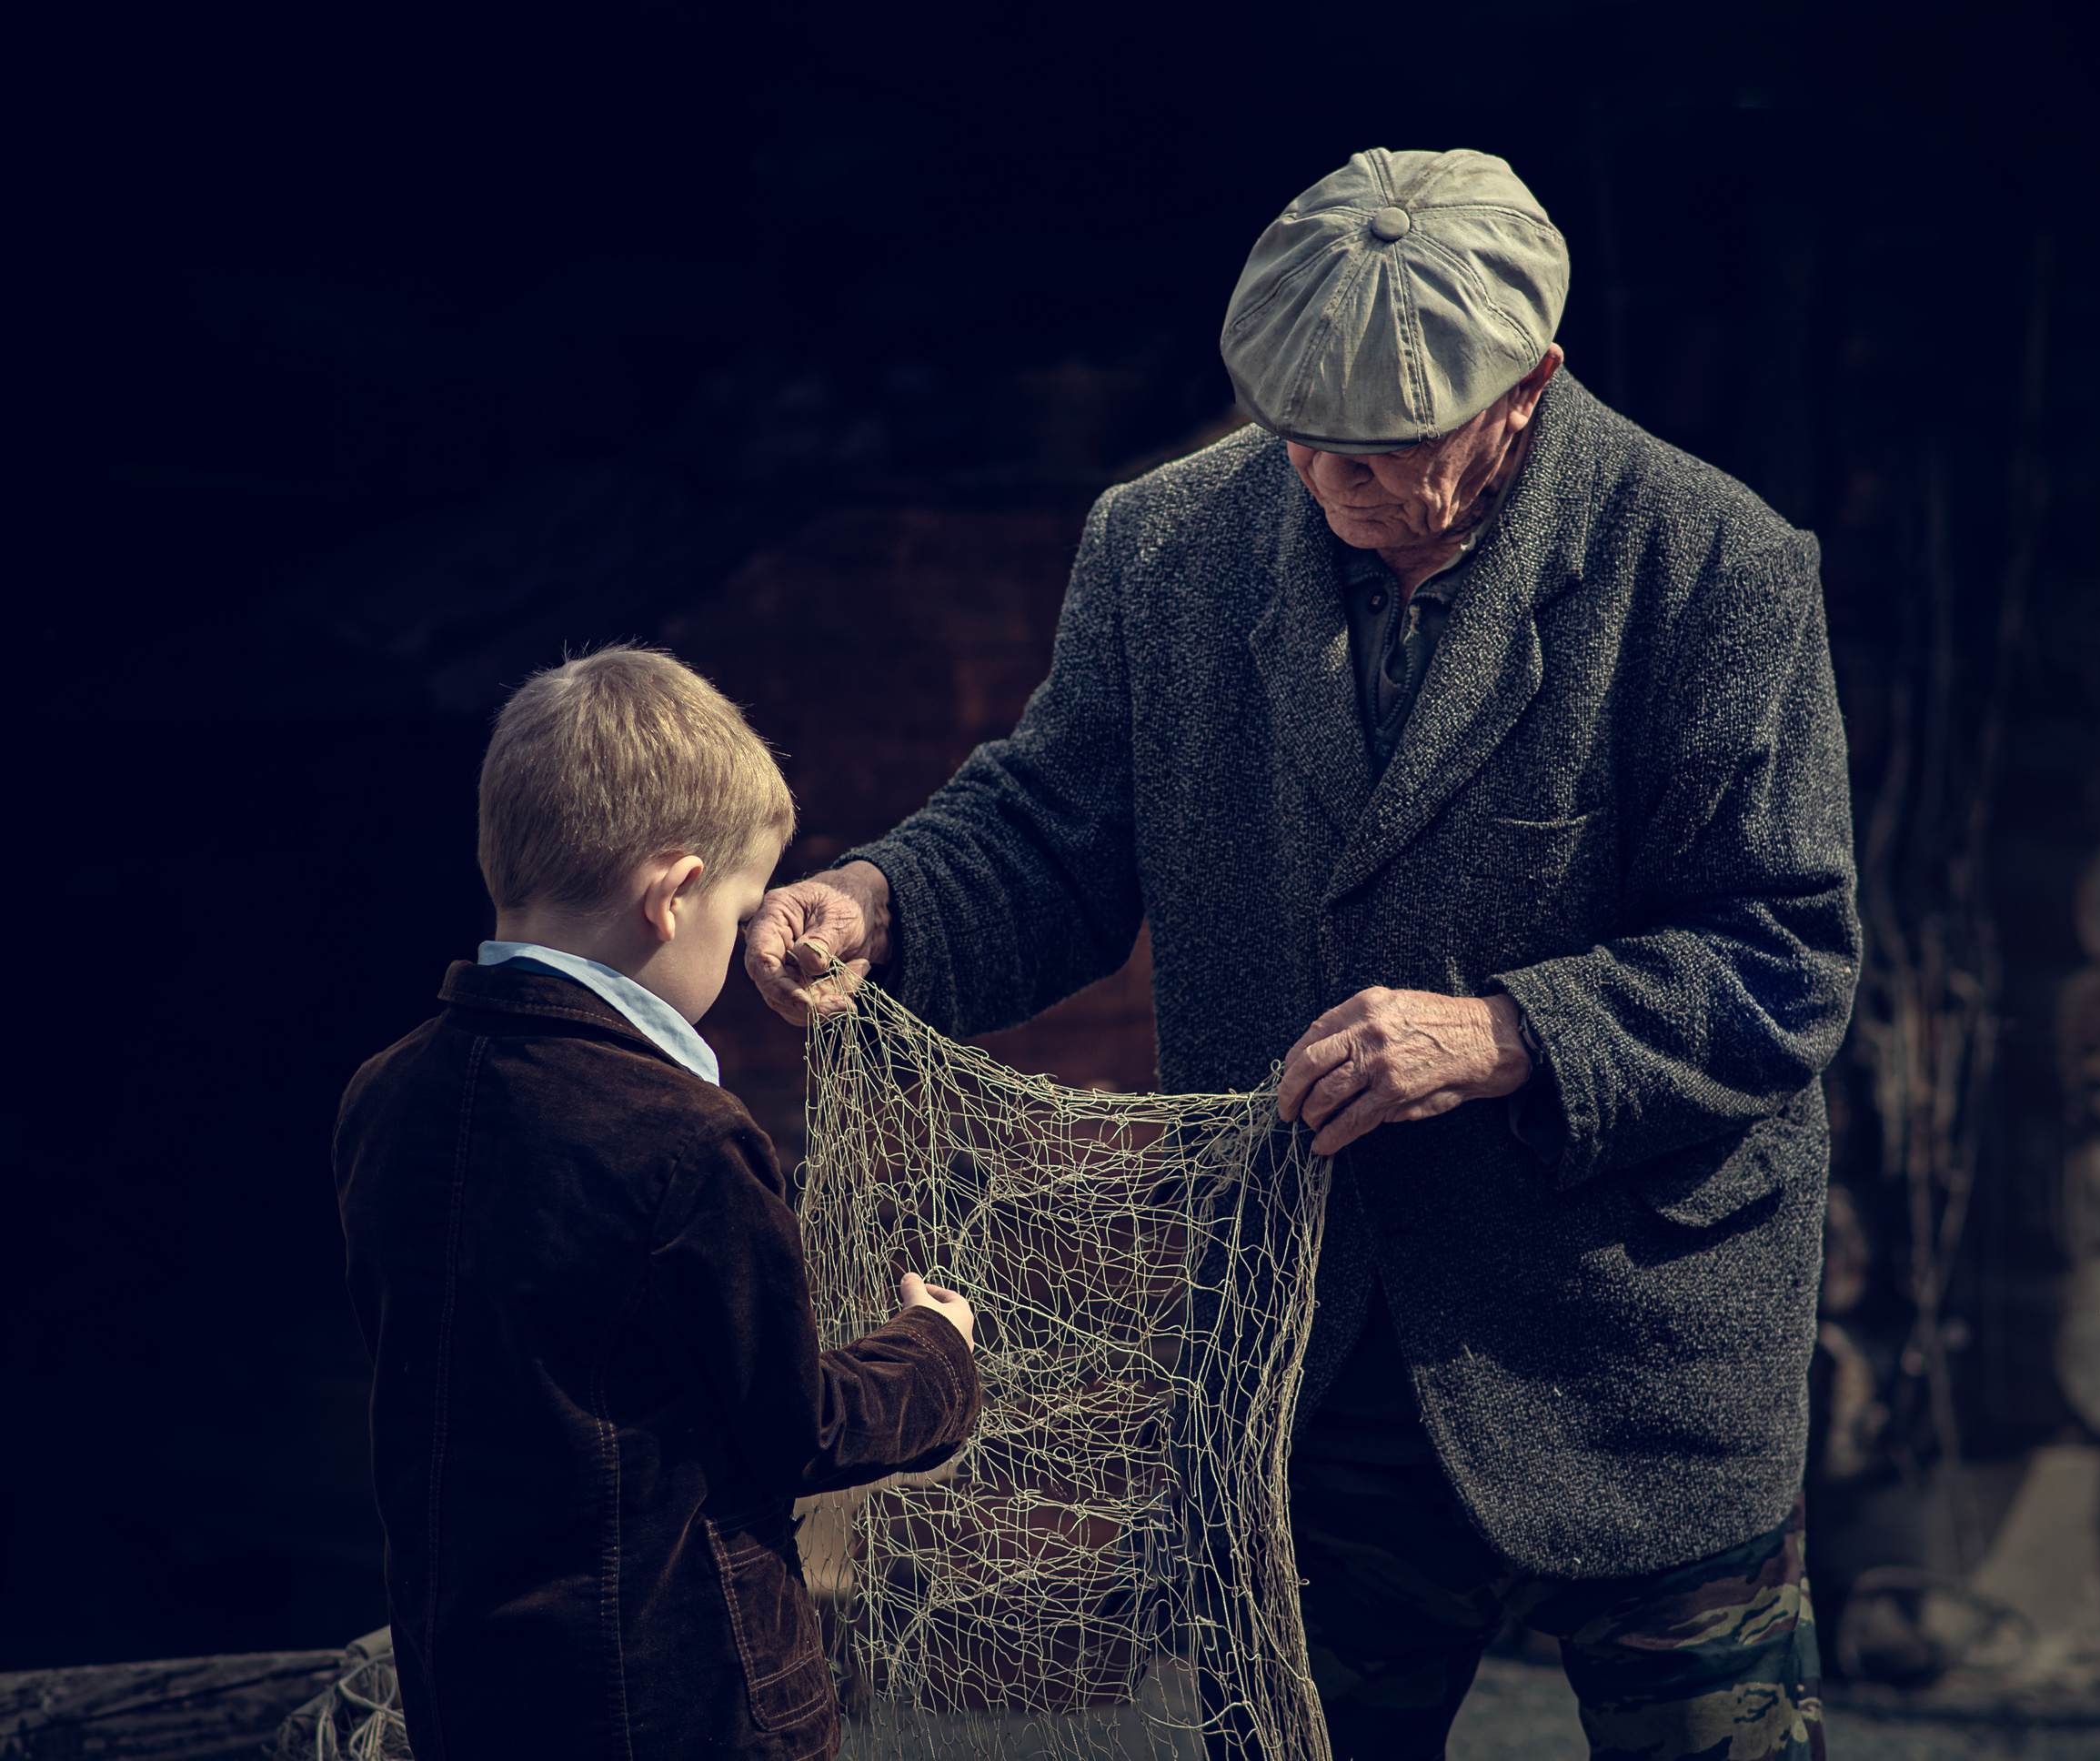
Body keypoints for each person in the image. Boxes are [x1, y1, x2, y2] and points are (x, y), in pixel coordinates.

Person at [747, 148, 1857, 1761]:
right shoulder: (1164, 548)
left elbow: (1782, 957)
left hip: (1636, 1345)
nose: (1332, 478)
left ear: (1528, 389)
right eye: (1300, 433)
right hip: (1307, 1345)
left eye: (1388, 446)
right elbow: (1054, 832)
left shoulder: (1712, 566)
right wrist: (881, 899)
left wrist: (1509, 1035)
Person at [336, 646, 981, 1761]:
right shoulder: (688, 1138)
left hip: (473, 1695)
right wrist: (934, 1353)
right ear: (674, 896)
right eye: (737, 913)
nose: (738, 943)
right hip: (680, 1705)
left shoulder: (383, 1095)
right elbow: (794, 1427)